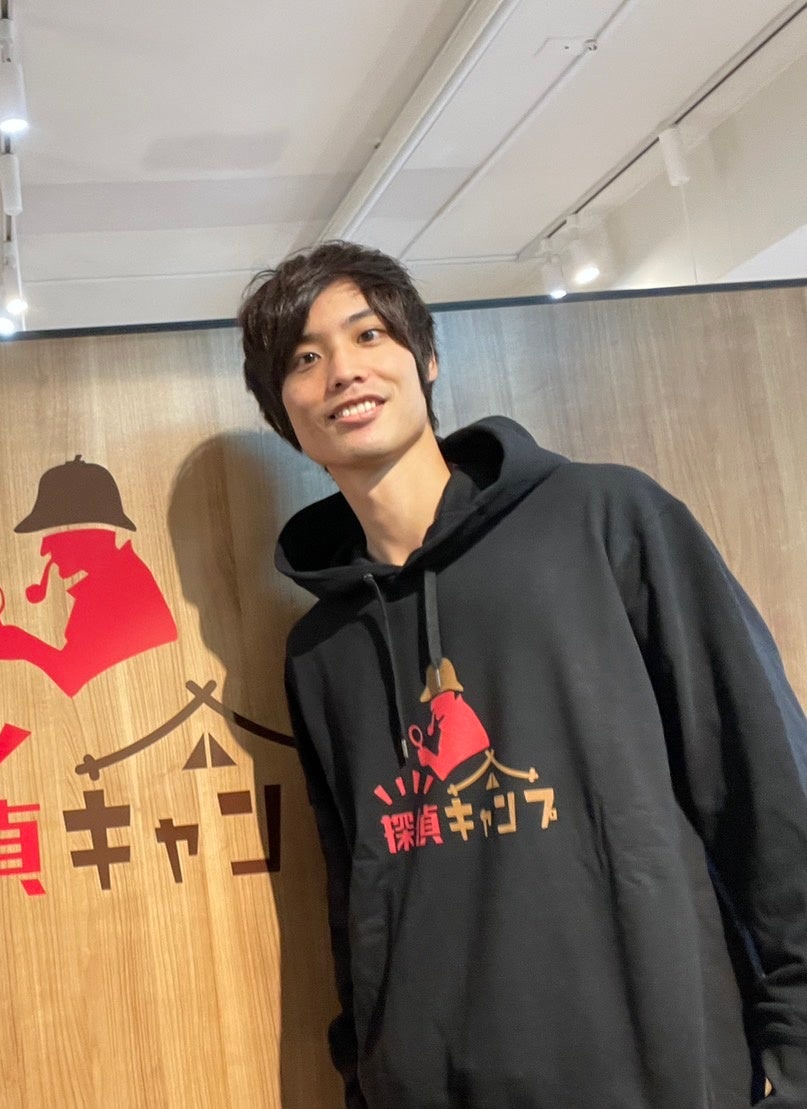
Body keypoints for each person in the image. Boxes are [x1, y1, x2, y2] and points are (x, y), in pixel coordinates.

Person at [239, 240, 807, 1107]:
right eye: (304, 358)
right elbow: (357, 896)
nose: (342, 371)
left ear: (426, 357)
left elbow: (761, 781)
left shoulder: (603, 517)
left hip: (656, 1073)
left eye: (368, 335)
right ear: (282, 409)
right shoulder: (320, 648)